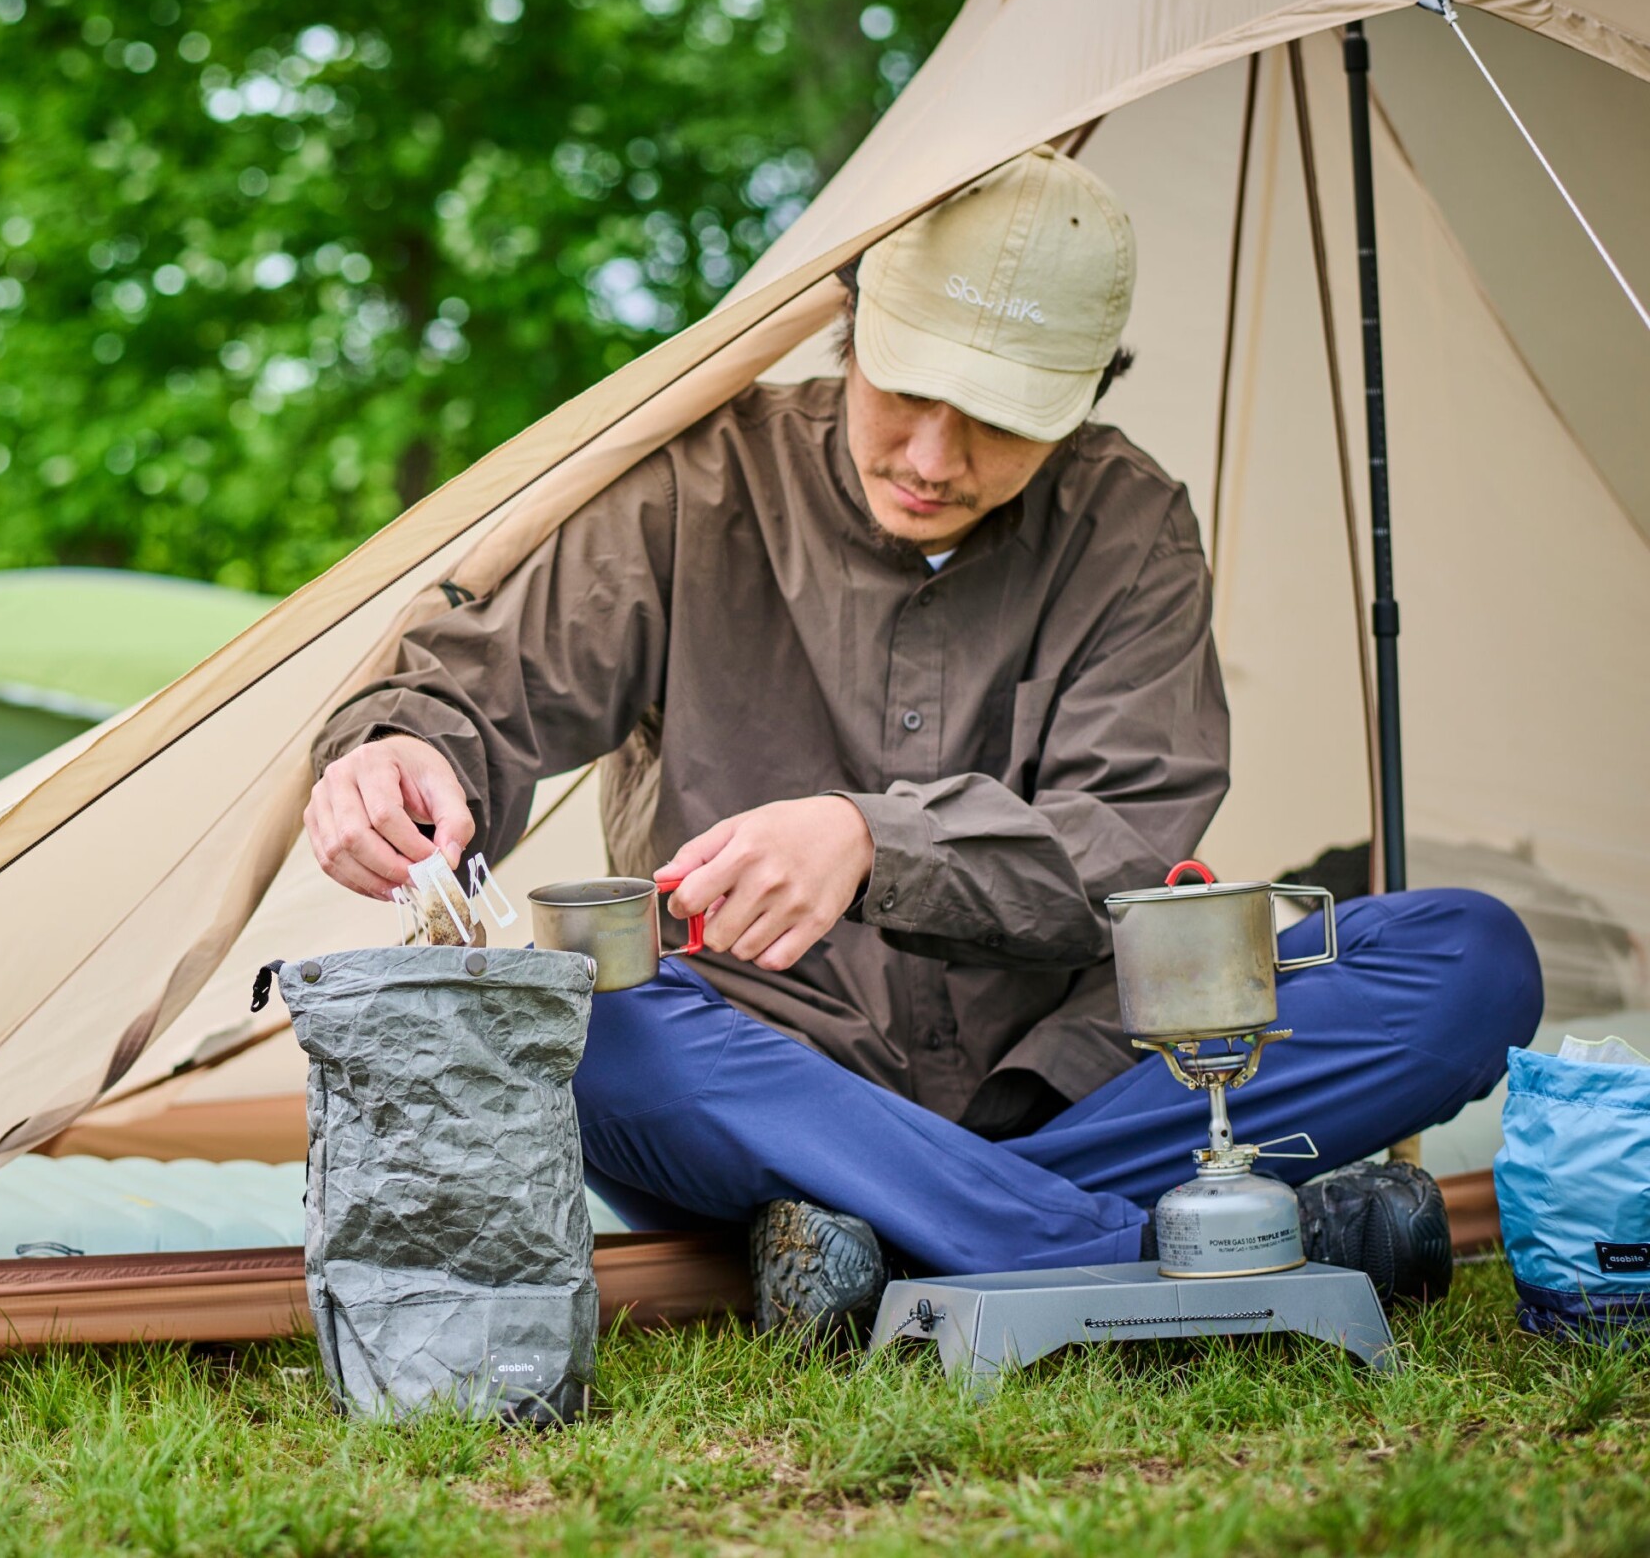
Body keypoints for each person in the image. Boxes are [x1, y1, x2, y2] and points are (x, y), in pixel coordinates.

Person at [303, 146, 1542, 1330]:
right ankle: (1142, 1249)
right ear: (852, 331)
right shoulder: (690, 486)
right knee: (579, 1022)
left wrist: (869, 841)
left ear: (1090, 391)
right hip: (758, 1072)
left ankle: (892, 1228)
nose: (934, 459)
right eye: (907, 394)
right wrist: (399, 750)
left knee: (1466, 957)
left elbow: (1124, 841)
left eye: (1001, 421)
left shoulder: (1129, 522)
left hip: (1075, 1068)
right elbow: (472, 696)